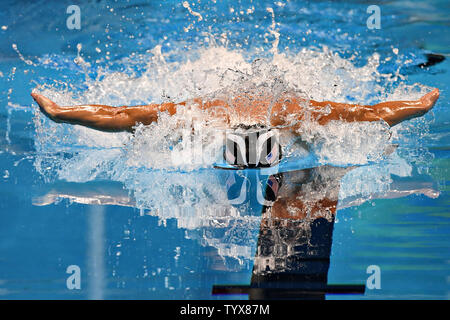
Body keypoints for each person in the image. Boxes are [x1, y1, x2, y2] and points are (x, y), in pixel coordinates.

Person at [31, 88, 439, 133]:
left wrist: (417, 107)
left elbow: (368, 113)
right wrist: (61, 112)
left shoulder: (297, 114)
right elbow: (123, 116)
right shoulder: (199, 114)